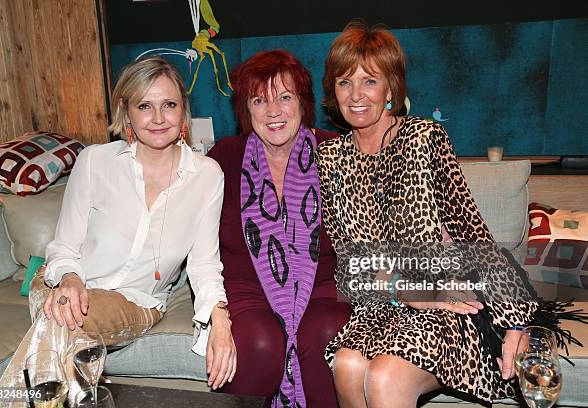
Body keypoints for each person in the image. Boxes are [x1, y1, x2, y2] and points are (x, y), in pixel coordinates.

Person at [0, 56, 235, 406]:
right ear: (127, 111)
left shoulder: (207, 176)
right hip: (61, 281)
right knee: (61, 316)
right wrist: (70, 280)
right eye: (144, 105)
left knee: (60, 324)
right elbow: (64, 246)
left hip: (135, 301)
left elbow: (204, 264)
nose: (158, 118)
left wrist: (220, 320)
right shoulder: (95, 161)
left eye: (169, 104)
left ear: (183, 111)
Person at [317, 22, 537, 407]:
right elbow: (350, 266)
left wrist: (516, 322)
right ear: (333, 91)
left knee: (384, 376)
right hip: (383, 304)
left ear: (391, 88)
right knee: (348, 365)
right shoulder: (330, 158)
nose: (355, 95)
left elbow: (474, 234)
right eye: (344, 82)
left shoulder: (424, 139)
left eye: (369, 81)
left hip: (447, 302)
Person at [207, 50, 351, 407]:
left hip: (324, 286)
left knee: (324, 332)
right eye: (260, 101)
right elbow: (196, 241)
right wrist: (216, 313)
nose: (273, 112)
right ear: (246, 109)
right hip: (246, 288)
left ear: (303, 102)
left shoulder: (335, 151)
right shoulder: (224, 158)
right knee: (259, 344)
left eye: (285, 98)